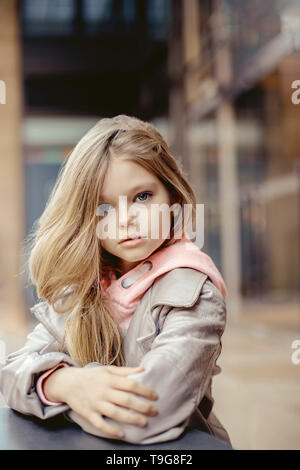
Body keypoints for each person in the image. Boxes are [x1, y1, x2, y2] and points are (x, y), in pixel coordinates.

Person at [0, 115, 232, 446]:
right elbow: (12, 373)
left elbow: (143, 414)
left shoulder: (194, 292)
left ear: (172, 198)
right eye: (103, 206)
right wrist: (67, 384)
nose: (125, 220)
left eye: (142, 196)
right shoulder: (86, 285)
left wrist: (53, 393)